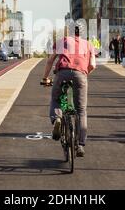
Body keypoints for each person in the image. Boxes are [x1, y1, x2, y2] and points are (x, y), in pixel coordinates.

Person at [41, 22, 96, 157]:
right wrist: (83, 74)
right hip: (80, 75)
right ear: (82, 33)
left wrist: (45, 78)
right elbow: (93, 65)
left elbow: (50, 61)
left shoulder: (62, 41)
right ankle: (81, 145)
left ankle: (57, 119)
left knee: (56, 99)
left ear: (70, 31)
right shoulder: (88, 44)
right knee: (81, 110)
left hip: (62, 72)